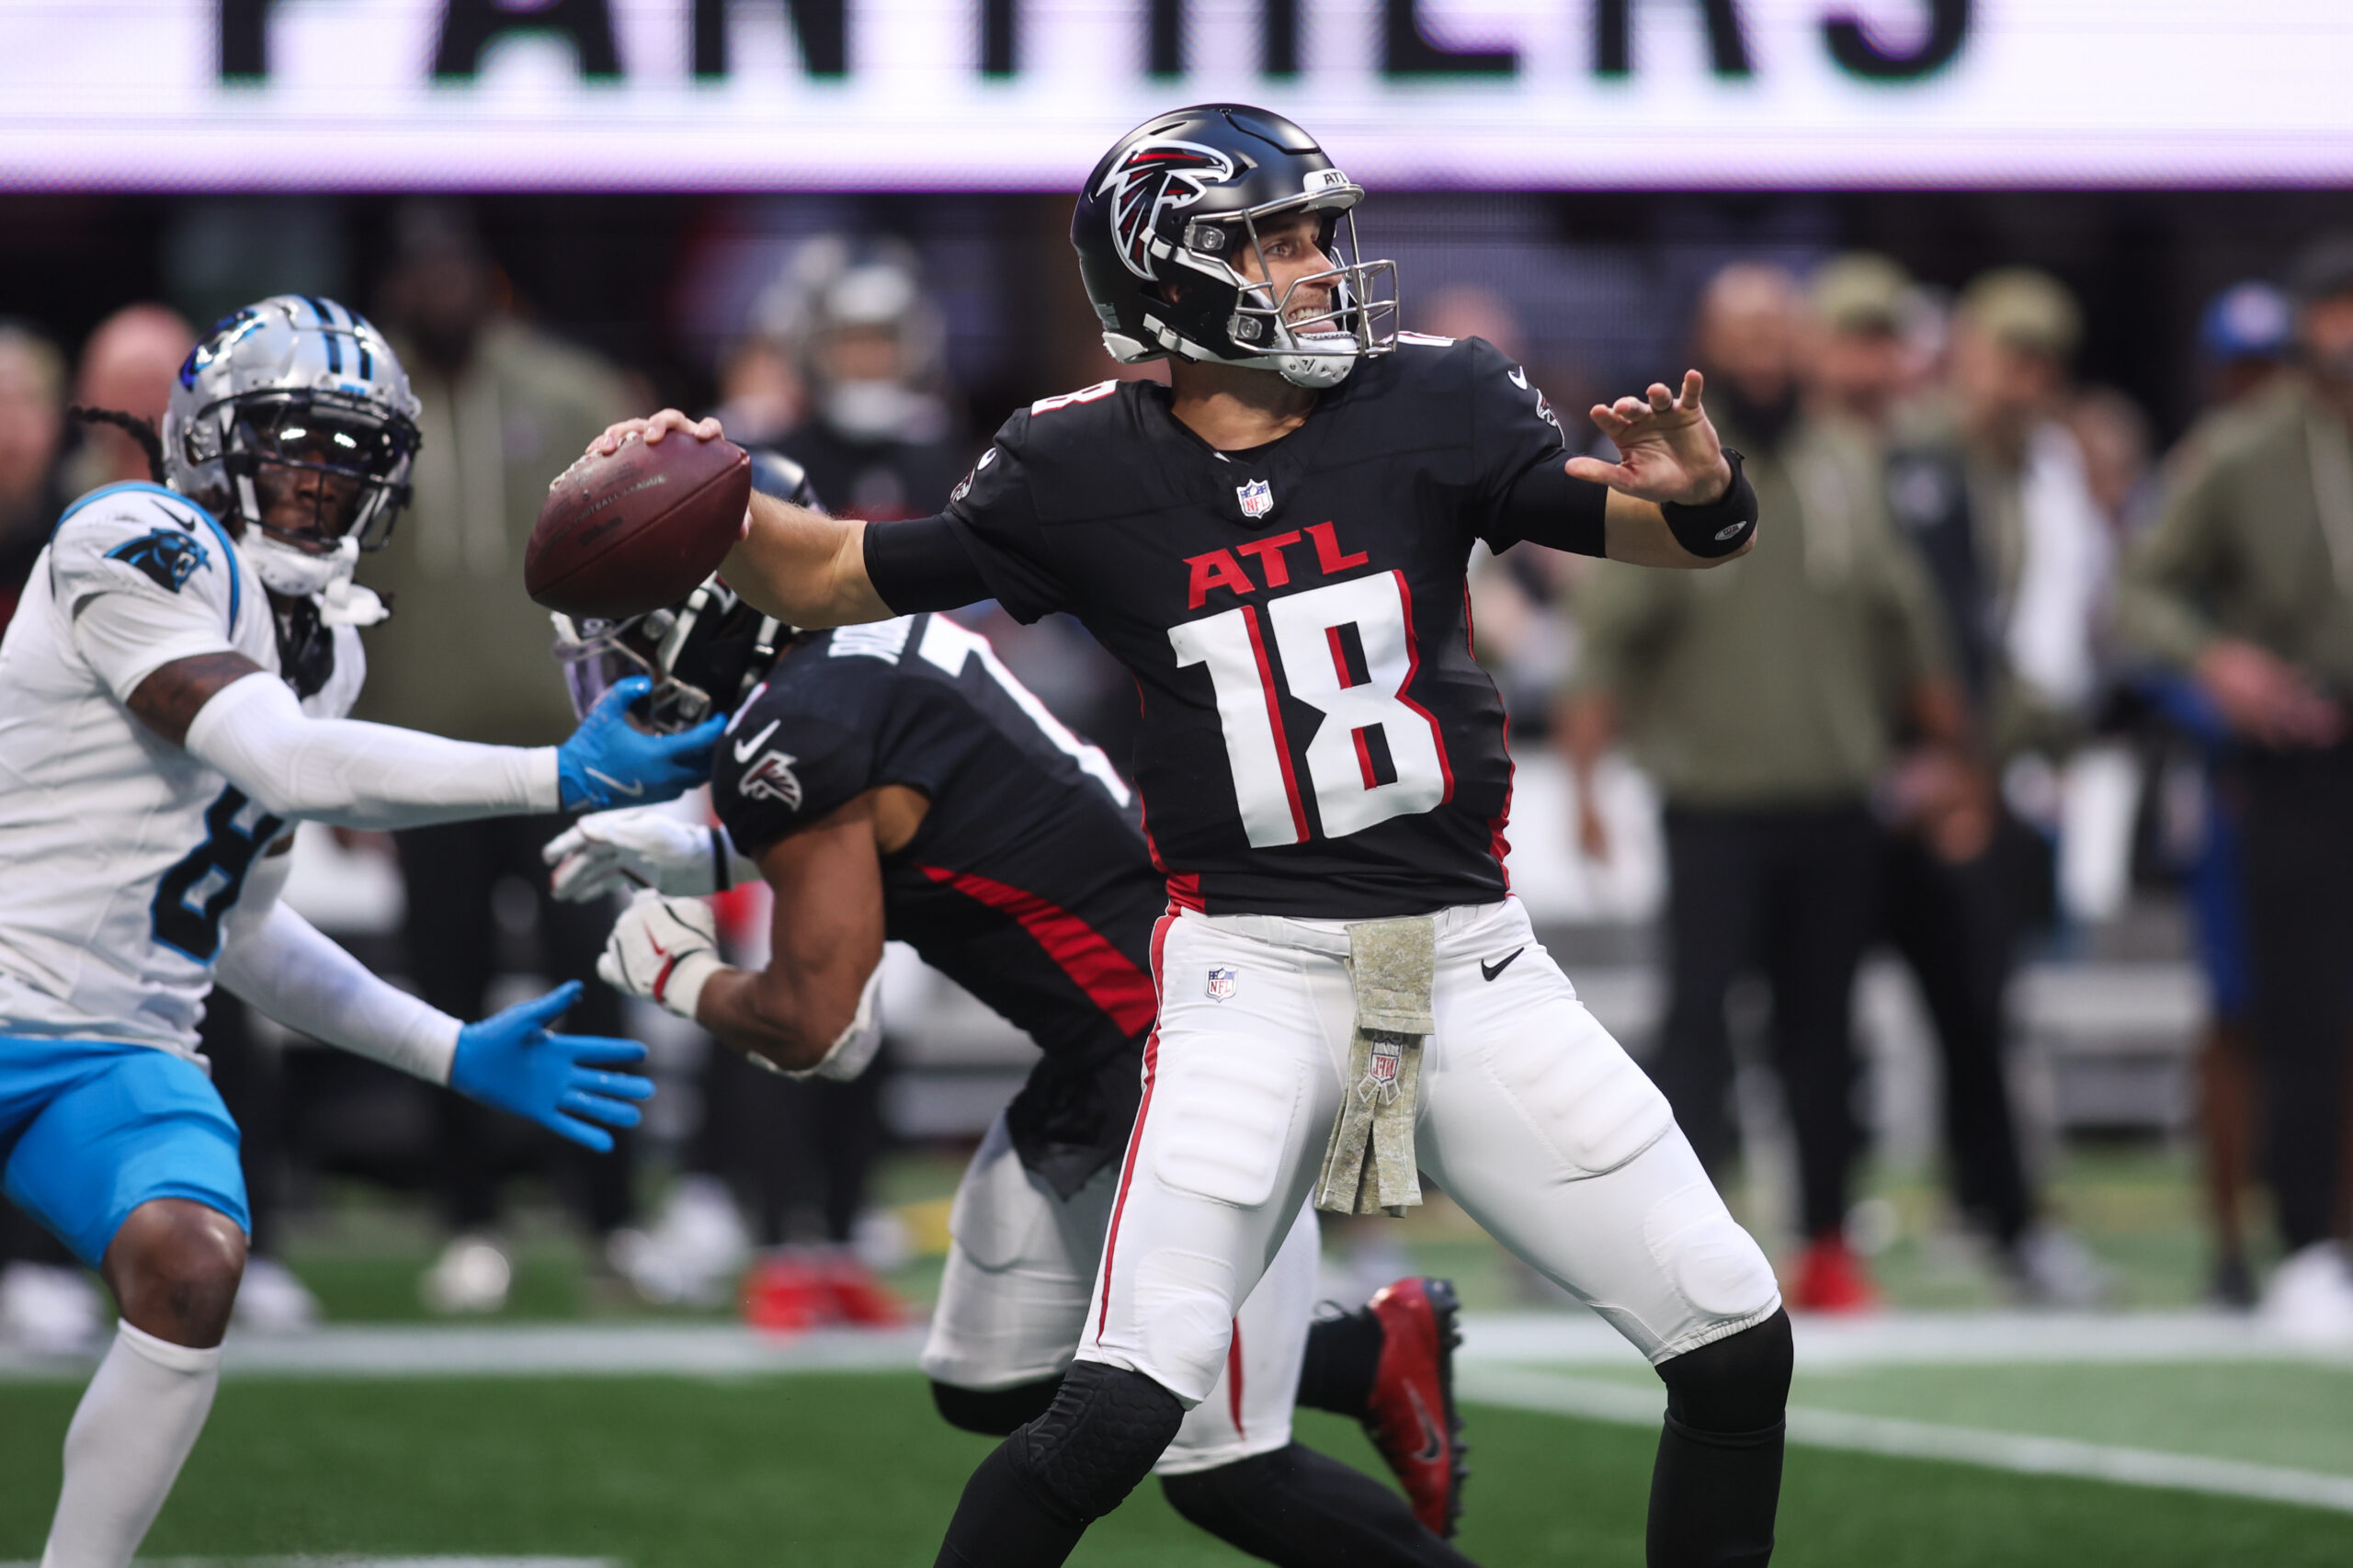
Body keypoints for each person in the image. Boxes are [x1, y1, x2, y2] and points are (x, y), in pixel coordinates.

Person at [601, 102, 1790, 1567]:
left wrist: (1708, 497)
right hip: (1251, 978)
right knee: (1117, 1410)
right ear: (1170, 274)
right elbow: (830, 574)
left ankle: (1379, 1330)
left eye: (1318, 235)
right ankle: (1362, 1341)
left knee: (1732, 1332)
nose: (1322, 266)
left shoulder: (1437, 397)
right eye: (1277, 242)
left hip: (1464, 963)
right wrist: (696, 482)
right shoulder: (1077, 467)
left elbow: (1658, 527)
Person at [551, 574, 1485, 1562]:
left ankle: (1350, 1363)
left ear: (707, 620)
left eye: (634, 643)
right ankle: (1361, 1352)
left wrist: (682, 975)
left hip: (1198, 1056)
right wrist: (707, 856)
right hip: (1105, 1058)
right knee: (984, 1380)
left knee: (1229, 1473)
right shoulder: (852, 664)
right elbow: (917, 818)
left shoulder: (806, 723)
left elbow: (826, 1031)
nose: (626, 674)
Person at [2, 293, 718, 1568]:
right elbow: (283, 760)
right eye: (290, 444)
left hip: (115, 1048)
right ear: (206, 440)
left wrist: (450, 1049)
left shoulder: (324, 650)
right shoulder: (132, 536)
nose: (320, 480)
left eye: (351, 454)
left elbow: (243, 931)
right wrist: (555, 774)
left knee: (190, 1262)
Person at [1562, 262, 1962, 1313]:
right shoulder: (1673, 469)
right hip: (1713, 801)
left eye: (1777, 329)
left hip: (1835, 798)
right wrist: (1587, 785)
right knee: (1698, 1025)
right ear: (1706, 346)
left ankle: (1827, 1241)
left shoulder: (1847, 462)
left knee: (1825, 1034)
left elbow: (1904, 622)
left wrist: (1953, 757)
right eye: (1741, 332)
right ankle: (1683, 1243)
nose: (1763, 350)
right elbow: (1608, 638)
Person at [356, 201, 647, 1311]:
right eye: (418, 274)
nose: (438, 291)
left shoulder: (565, 392)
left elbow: (640, 553)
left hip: (570, 753)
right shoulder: (370, 406)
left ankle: (614, 1223)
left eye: (453, 271)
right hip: (422, 761)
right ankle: (470, 1220)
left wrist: (639, 712)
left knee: (595, 980)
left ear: (488, 280)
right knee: (449, 995)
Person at [2117, 235, 2353, 1338]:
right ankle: (2304, 1242)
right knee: (2293, 1006)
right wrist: (2221, 663)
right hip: (2297, 748)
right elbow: (2141, 589)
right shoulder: (2241, 450)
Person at [1879, 267, 2114, 1304]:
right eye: (2008, 356)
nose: (2023, 380)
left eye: (2040, 362)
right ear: (1967, 353)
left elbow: (2039, 642)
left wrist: (2000, 763)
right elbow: (1902, 630)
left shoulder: (2047, 474)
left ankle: (2001, 1219)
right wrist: (1931, 761)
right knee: (1775, 1010)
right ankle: (1787, 1230)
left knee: (1979, 1013)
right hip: (1882, 773)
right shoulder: (1912, 457)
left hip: (1982, 776)